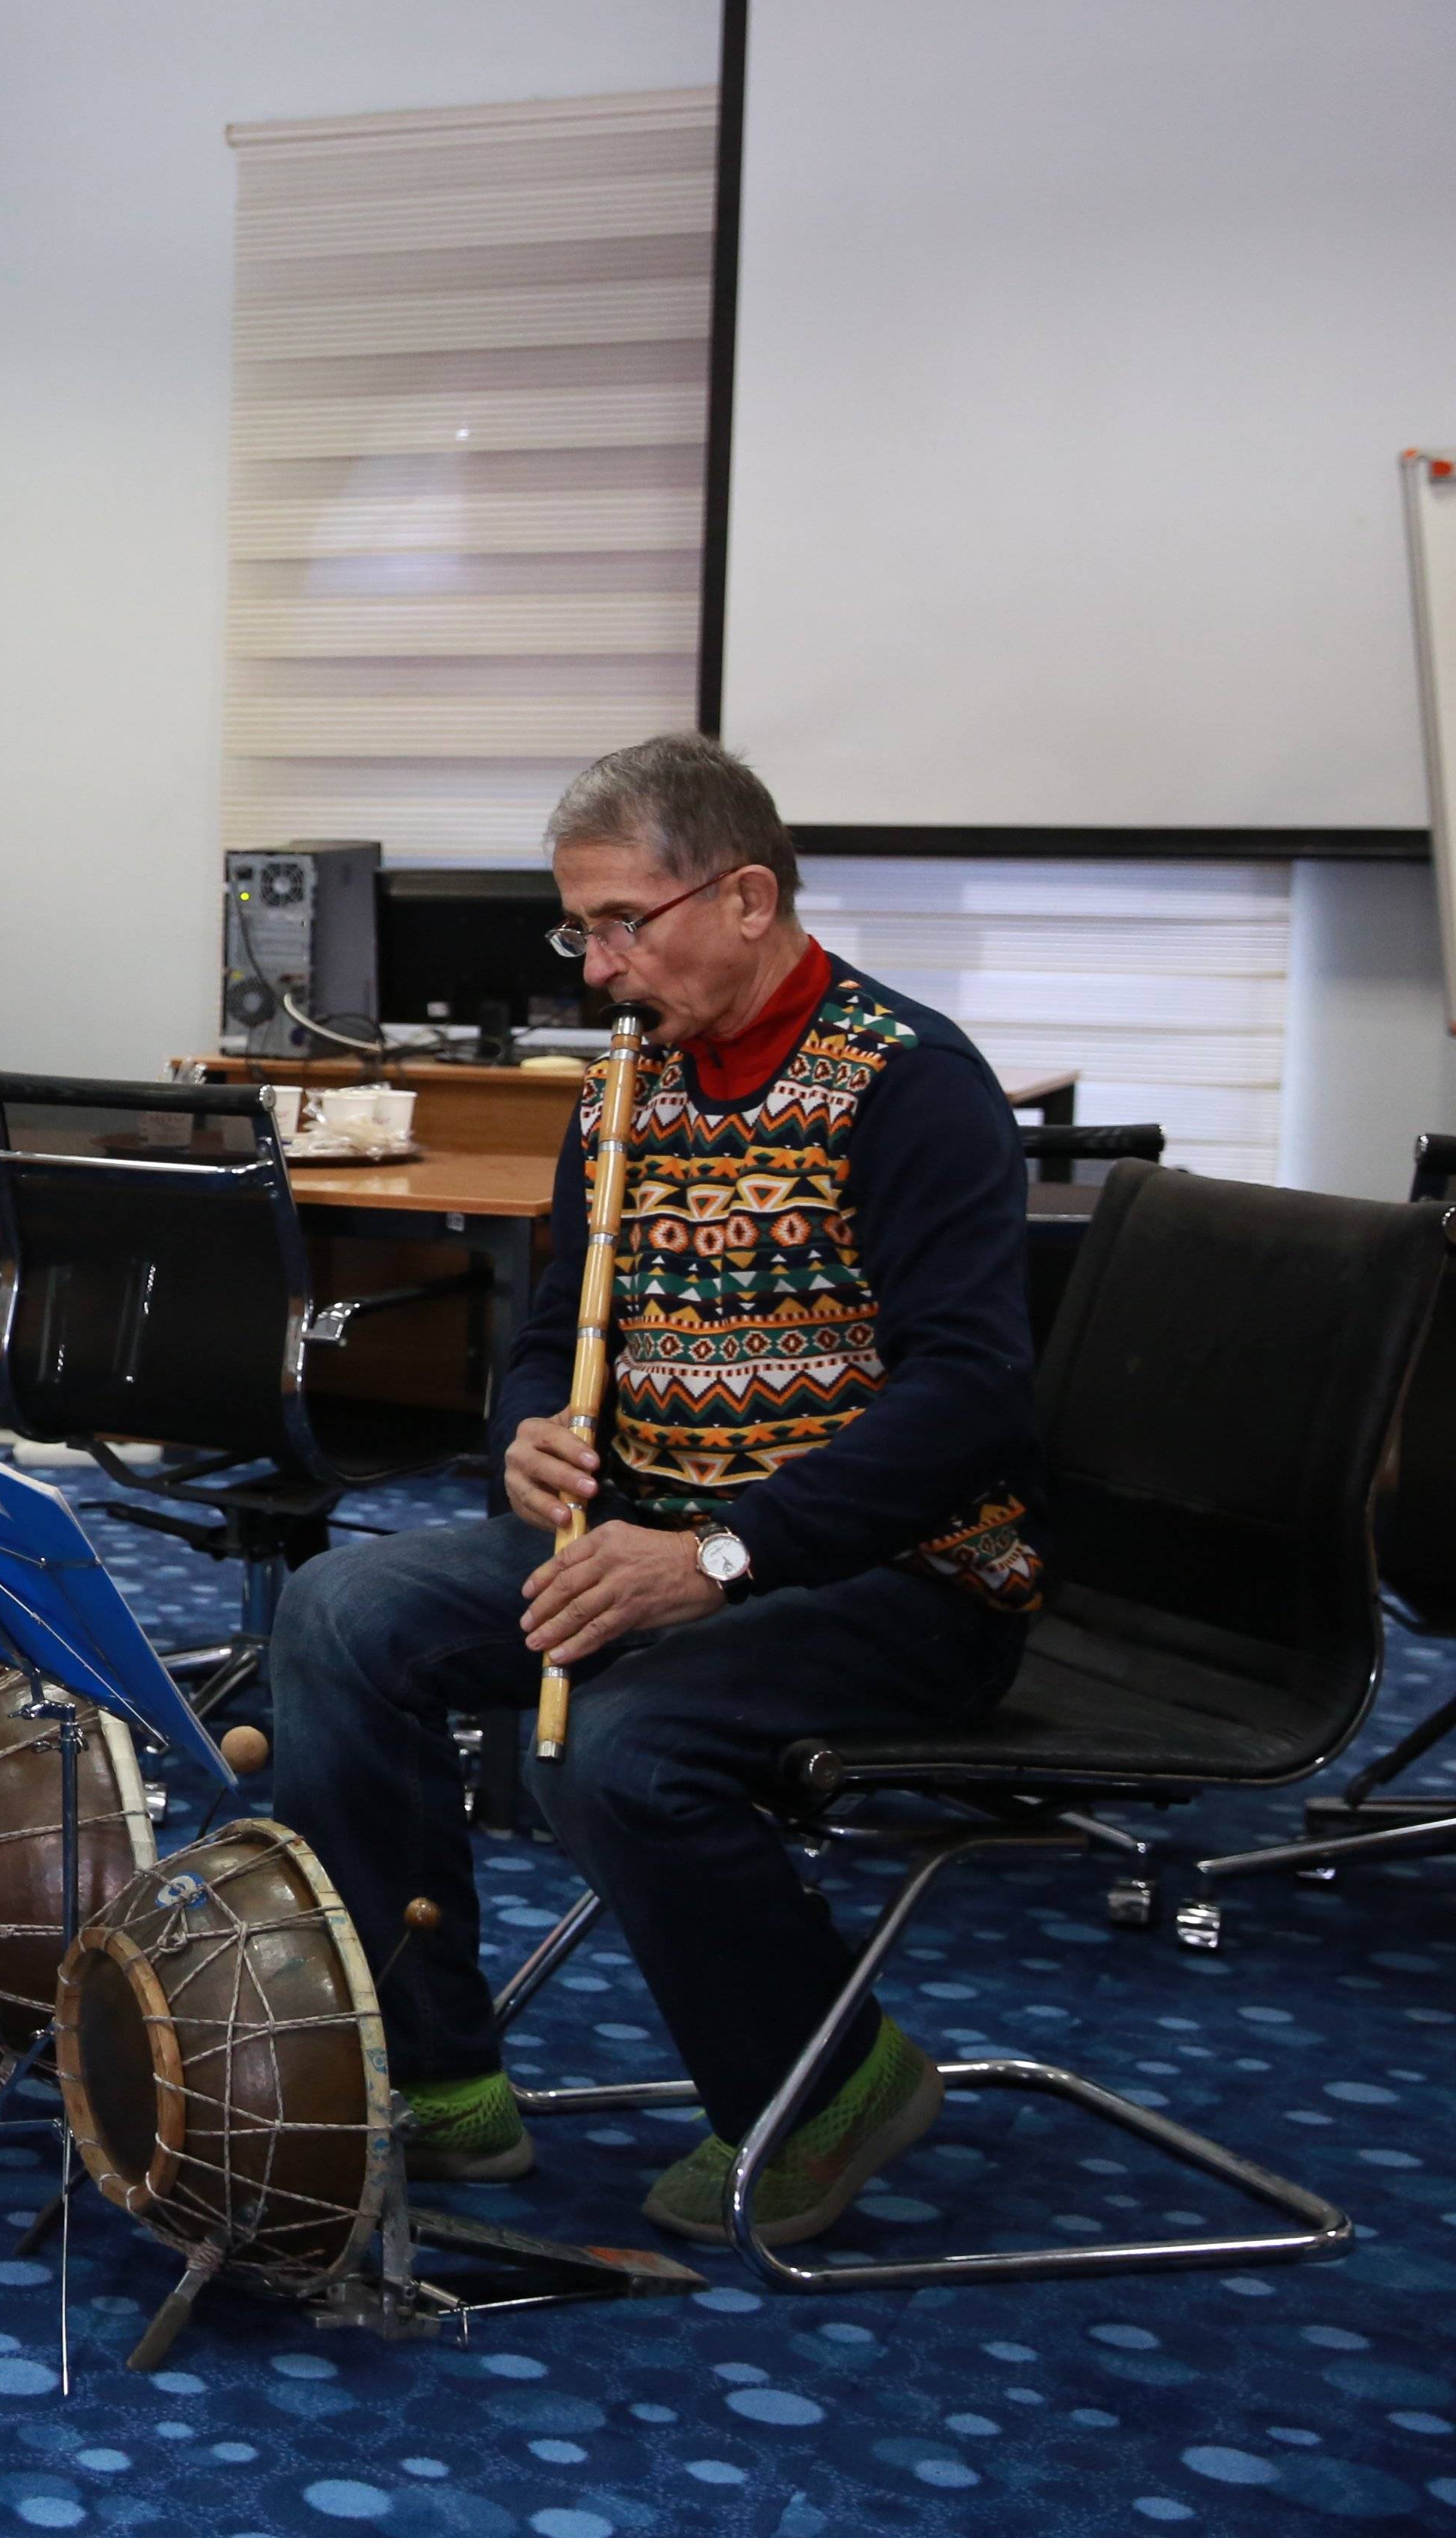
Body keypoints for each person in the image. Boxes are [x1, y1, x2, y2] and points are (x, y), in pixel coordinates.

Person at [270, 733, 1040, 2247]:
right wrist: (525, 1432)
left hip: (895, 1579)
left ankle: (830, 2084)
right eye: (582, 931)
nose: (601, 970)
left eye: (627, 923)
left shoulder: (910, 1082)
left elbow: (971, 1399)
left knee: (611, 1747)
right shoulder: (631, 1082)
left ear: (748, 898)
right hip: (655, 1537)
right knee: (342, 1612)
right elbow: (552, 1337)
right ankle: (436, 2078)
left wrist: (721, 1559)